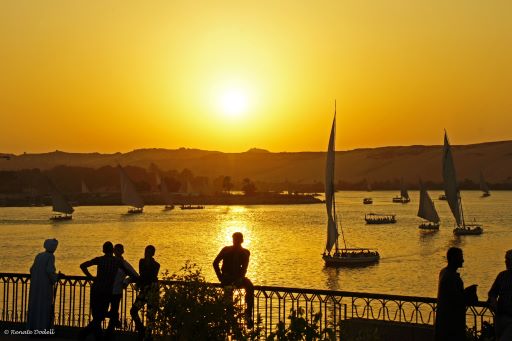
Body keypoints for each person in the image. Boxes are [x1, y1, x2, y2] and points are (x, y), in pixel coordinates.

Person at [79, 241, 138, 341]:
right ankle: (96, 333)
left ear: (103, 250)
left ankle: (94, 335)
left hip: (96, 289)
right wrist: (125, 281)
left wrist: (91, 277)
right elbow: (133, 274)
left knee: (98, 314)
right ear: (112, 250)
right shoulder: (117, 262)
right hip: (107, 291)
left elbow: (83, 265)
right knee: (101, 315)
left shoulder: (99, 259)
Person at [435, 247, 478, 341]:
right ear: (454, 258)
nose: (463, 260)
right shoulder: (453, 278)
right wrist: (469, 293)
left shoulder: (443, 272)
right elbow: (457, 300)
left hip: (444, 323)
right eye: (460, 257)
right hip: (452, 325)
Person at [213, 232, 254, 327]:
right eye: (235, 239)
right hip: (227, 278)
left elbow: (244, 268)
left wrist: (240, 278)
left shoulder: (245, 252)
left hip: (238, 278)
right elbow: (215, 263)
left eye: (238, 240)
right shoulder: (226, 250)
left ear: (241, 241)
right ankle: (230, 317)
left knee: (250, 286)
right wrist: (220, 277)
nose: (236, 242)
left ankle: (248, 314)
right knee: (228, 293)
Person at [106, 244, 138, 337]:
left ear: (122, 252)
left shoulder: (124, 264)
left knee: (112, 312)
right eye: (116, 250)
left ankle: (109, 333)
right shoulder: (110, 261)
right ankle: (115, 320)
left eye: (119, 250)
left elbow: (135, 276)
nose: (117, 252)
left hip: (116, 291)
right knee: (104, 312)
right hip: (106, 290)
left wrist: (127, 280)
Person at [27, 238, 60, 331]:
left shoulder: (39, 255)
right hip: (45, 286)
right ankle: (42, 329)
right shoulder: (50, 256)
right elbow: (50, 271)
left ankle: (33, 328)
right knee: (44, 306)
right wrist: (56, 278)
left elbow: (32, 269)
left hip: (36, 285)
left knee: (36, 305)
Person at [130, 245, 160, 340]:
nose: (148, 254)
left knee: (150, 314)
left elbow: (147, 276)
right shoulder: (142, 262)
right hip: (145, 290)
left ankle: (147, 335)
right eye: (147, 251)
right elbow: (143, 274)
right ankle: (141, 329)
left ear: (153, 254)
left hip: (152, 290)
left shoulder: (156, 265)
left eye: (150, 252)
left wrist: (140, 282)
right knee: (134, 310)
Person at [488, 250, 512, 341]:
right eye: (506, 259)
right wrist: (493, 300)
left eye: (509, 259)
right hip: (500, 317)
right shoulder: (502, 276)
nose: (506, 261)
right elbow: (492, 292)